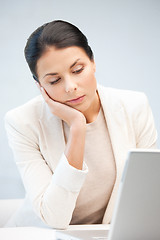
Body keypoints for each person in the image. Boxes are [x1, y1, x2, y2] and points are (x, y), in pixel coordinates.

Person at [4, 20, 157, 229]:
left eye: (77, 70)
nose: (70, 87)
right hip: (40, 234)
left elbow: (148, 194)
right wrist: (77, 127)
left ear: (92, 62)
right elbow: (55, 218)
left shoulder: (134, 106)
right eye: (54, 81)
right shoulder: (22, 122)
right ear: (40, 86)